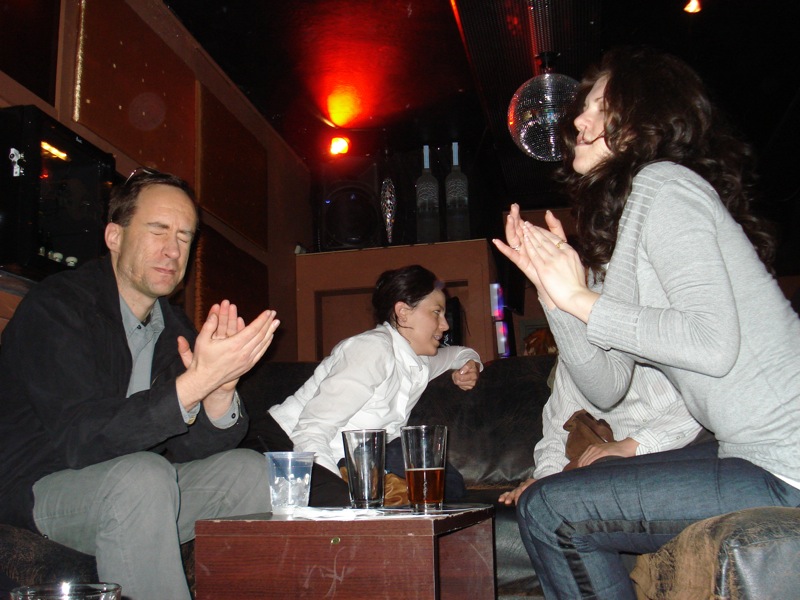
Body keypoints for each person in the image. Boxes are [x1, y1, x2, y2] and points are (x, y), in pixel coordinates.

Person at [493, 46, 800, 599]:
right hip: (754, 454)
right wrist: (556, 297)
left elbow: (711, 345)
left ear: (641, 119)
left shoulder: (665, 184)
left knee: (550, 510)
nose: (577, 121)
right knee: (565, 490)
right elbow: (605, 387)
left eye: (597, 107)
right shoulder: (633, 221)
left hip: (788, 462)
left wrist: (581, 298)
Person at [0, 168, 280, 599]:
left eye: (185, 237)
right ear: (114, 236)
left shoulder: (174, 328)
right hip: (43, 487)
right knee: (142, 475)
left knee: (250, 472)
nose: (172, 250)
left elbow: (186, 447)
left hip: (133, 483)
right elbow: (80, 438)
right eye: (158, 231)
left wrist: (219, 394)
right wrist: (194, 383)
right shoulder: (57, 307)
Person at [255, 264, 482, 505]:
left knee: (448, 489)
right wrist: (342, 497)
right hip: (283, 449)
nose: (445, 325)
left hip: (343, 462)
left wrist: (471, 366)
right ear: (403, 312)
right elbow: (311, 430)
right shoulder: (373, 349)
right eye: (436, 312)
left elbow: (462, 353)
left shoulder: (420, 362)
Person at [499, 358, 706, 505]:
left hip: (692, 448)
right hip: (616, 470)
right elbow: (557, 433)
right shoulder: (571, 360)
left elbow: (704, 400)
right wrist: (544, 481)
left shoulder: (659, 329)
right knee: (538, 504)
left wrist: (630, 445)